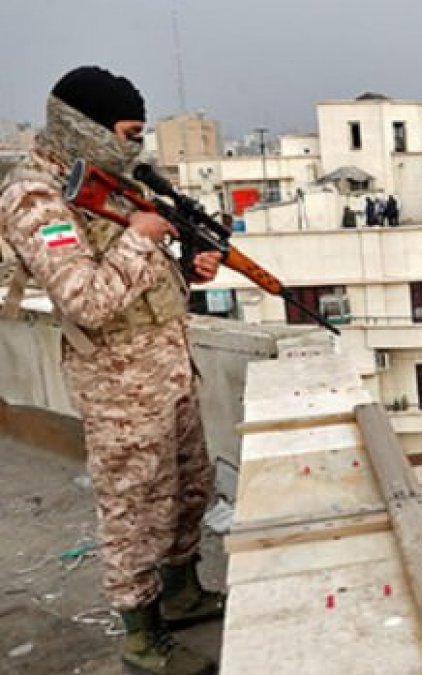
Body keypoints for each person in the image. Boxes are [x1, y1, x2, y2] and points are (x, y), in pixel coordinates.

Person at [0, 66, 223, 675]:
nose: (135, 146)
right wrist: (140, 241)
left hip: (170, 365)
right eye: (127, 132)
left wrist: (190, 270)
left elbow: (147, 272)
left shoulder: (110, 181)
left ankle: (180, 594)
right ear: (86, 126)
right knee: (134, 510)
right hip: (119, 385)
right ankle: (142, 638)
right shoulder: (35, 195)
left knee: (188, 487)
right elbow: (85, 299)